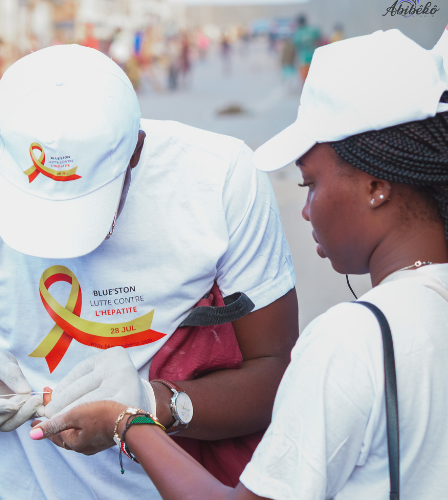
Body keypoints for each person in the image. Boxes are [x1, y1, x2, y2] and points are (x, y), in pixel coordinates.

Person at [31, 29, 448, 499]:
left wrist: (128, 420)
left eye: (309, 184)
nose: (306, 210)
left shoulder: (352, 341)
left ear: (376, 186)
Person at [0, 44, 297, 499]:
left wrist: (155, 404)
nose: (63, 242)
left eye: (89, 206)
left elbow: (277, 373)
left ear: (136, 150)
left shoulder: (220, 178)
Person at [292, 14, 320, 83]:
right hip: (313, 58)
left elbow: (295, 47)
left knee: (305, 83)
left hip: (303, 60)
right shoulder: (313, 30)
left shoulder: (297, 33)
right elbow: (319, 38)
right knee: (314, 81)